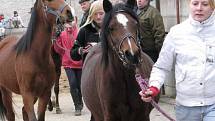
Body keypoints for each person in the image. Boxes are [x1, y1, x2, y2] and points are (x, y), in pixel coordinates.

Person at [139, 0, 215, 121]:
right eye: (195, 3)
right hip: (186, 106)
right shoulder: (177, 32)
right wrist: (153, 87)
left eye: (205, 4)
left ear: (212, 7)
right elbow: (161, 67)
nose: (199, 8)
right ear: (189, 5)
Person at [71, 1, 104, 120]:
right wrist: (81, 50)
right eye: (96, 14)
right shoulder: (85, 30)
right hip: (91, 76)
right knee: (96, 111)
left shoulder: (112, 29)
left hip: (108, 74)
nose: (99, 17)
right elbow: (73, 53)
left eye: (101, 13)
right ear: (91, 15)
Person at [54, 8, 83, 116]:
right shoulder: (62, 34)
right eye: (67, 22)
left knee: (80, 85)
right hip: (68, 64)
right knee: (73, 83)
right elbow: (58, 49)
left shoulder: (80, 32)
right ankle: (77, 106)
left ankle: (80, 100)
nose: (69, 24)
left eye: (71, 21)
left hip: (80, 64)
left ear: (75, 20)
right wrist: (56, 40)